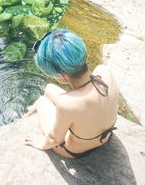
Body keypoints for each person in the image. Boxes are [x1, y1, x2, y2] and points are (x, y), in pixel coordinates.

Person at [24, 29, 119, 158]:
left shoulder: (67, 104)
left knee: (42, 101)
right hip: (105, 136)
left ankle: (33, 110)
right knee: (49, 88)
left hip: (75, 150)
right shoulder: (104, 72)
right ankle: (33, 110)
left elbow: (54, 139)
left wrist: (41, 144)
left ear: (61, 77)